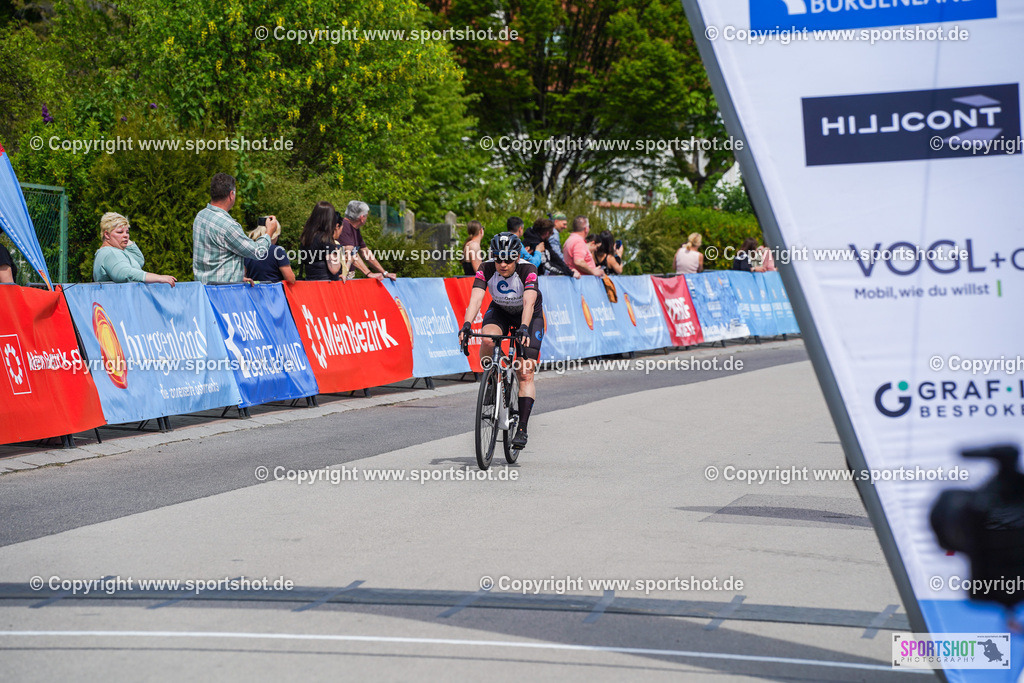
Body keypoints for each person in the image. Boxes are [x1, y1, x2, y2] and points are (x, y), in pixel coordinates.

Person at [458, 232, 543, 449]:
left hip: (528, 316)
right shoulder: (486, 268)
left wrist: (524, 328)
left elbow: (528, 303)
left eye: (508, 259)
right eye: (498, 259)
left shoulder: (528, 270)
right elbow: (476, 299)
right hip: (501, 311)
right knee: (487, 340)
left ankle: (522, 428)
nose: (503, 264)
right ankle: (494, 377)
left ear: (517, 257)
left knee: (525, 372)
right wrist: (466, 325)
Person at [193, 173, 274, 284]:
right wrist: (269, 232)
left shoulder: (201, 215)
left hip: (204, 289)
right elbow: (258, 252)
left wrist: (236, 277)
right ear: (231, 194)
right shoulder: (228, 226)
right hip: (223, 291)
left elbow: (212, 256)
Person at [92, 212, 177, 286]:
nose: (126, 235)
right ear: (107, 235)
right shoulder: (110, 253)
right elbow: (125, 274)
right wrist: (159, 278)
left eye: (127, 232)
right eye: (120, 232)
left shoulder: (117, 250)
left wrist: (122, 235)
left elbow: (139, 260)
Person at [339, 200, 395, 281]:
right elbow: (351, 254)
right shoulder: (344, 227)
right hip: (339, 278)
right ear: (362, 218)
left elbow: (365, 252)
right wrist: (369, 273)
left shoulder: (354, 228)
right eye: (366, 216)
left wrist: (384, 273)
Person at [300, 201, 344, 281]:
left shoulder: (306, 237)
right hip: (325, 283)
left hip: (309, 281)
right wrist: (337, 252)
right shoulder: (325, 239)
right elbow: (334, 269)